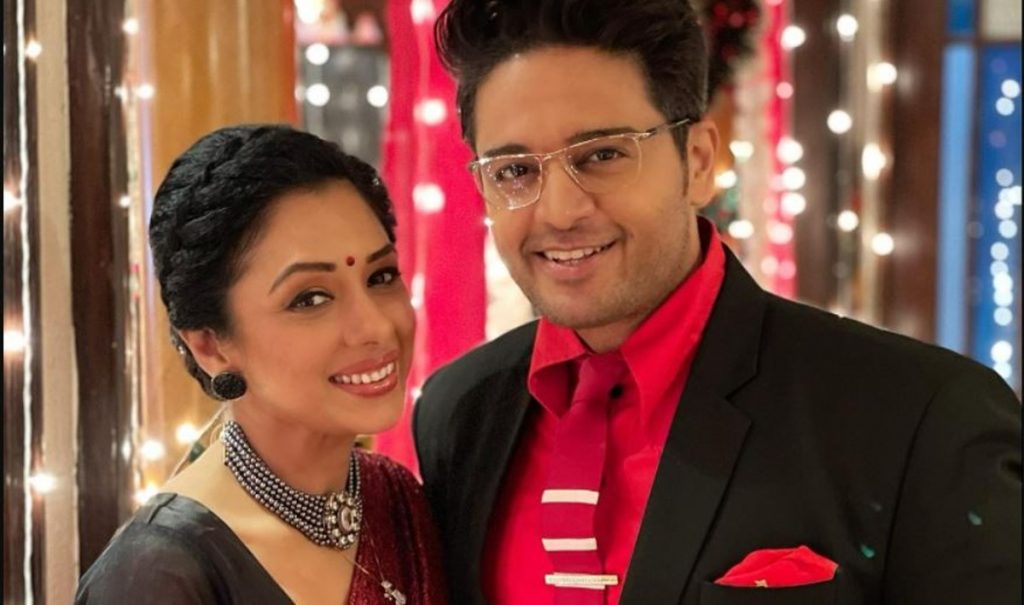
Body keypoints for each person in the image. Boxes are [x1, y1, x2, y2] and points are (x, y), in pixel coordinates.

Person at [412, 1, 1023, 604]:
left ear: (699, 160)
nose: (560, 212)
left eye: (602, 155)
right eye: (513, 171)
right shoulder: (457, 414)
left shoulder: (919, 420)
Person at [77, 125, 446, 604]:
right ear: (210, 346)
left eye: (381, 276)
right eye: (311, 298)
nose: (375, 326)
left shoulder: (399, 502)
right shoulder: (156, 576)